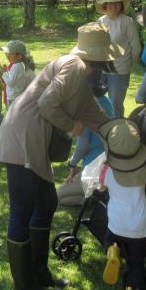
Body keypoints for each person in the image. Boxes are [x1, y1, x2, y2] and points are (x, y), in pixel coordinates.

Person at [0, 21, 124, 290]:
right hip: (23, 137)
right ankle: (26, 285)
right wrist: (71, 125)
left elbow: (100, 119)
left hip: (33, 140)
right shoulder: (74, 65)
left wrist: (123, 137)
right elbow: (47, 103)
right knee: (22, 211)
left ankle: (40, 276)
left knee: (45, 205)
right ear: (100, 55)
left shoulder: (81, 77)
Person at [97, 118, 146, 290]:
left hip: (117, 225)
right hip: (140, 228)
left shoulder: (107, 171)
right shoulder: (144, 171)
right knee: (136, 264)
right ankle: (133, 286)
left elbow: (102, 185)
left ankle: (112, 252)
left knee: (108, 240)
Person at [56, 69, 114, 206]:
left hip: (93, 168)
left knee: (57, 197)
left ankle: (95, 199)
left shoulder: (87, 108)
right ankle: (97, 195)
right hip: (108, 163)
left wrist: (72, 164)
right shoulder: (107, 101)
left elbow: (82, 146)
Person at [96, 0, 141, 118]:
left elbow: (136, 47)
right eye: (110, 3)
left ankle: (118, 130)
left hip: (120, 69)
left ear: (121, 5)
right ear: (105, 5)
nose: (114, 6)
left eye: (117, 3)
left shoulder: (127, 21)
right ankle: (102, 127)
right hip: (101, 68)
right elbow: (97, 45)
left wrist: (127, 65)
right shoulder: (100, 21)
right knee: (98, 100)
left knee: (115, 103)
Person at [0, 40, 28, 108]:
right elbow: (13, 78)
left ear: (19, 56)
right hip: (15, 96)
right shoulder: (19, 65)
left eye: (10, 53)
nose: (7, 55)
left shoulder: (16, 66)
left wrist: (3, 73)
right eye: (6, 53)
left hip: (14, 97)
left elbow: (10, 83)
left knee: (11, 117)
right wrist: (7, 71)